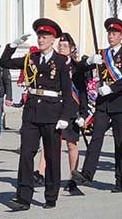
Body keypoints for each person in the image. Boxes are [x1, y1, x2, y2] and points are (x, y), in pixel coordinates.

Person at [0, 18, 73, 210]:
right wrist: (13, 45)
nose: (41, 40)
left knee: (52, 156)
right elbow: (4, 62)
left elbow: (67, 92)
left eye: (45, 36)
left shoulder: (61, 62)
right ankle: (23, 197)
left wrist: (65, 117)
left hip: (52, 113)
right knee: (26, 154)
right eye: (39, 36)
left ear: (53, 39)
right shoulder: (29, 59)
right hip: (32, 113)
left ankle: (51, 195)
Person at [72, 18, 122, 193]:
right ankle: (87, 174)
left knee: (120, 142)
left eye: (114, 33)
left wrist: (112, 88)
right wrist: (89, 61)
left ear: (121, 36)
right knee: (96, 138)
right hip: (103, 103)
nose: (111, 36)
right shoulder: (102, 53)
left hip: (119, 101)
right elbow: (80, 71)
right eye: (109, 33)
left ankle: (121, 181)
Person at [34, 33, 86, 192]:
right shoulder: (53, 63)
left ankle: (73, 177)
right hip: (54, 107)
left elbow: (82, 90)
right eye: (60, 46)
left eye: (65, 46)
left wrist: (83, 113)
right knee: (48, 141)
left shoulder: (76, 66)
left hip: (71, 109)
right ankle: (40, 173)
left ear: (71, 49)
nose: (61, 48)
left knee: (71, 144)